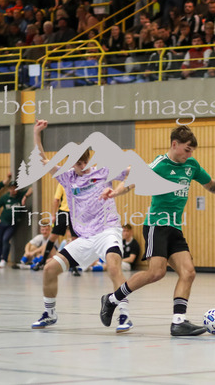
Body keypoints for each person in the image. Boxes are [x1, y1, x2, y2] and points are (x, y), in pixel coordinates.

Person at [101, 125, 215, 336]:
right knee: (156, 272)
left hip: (175, 227)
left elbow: (211, 184)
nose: (189, 155)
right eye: (187, 150)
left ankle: (178, 322)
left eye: (192, 151)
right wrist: (114, 193)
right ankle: (111, 299)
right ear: (174, 144)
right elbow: (132, 180)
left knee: (188, 272)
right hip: (157, 225)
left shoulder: (191, 165)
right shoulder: (160, 164)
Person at [31, 120, 133, 333]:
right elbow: (42, 160)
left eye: (85, 161)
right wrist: (37, 133)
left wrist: (118, 190)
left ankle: (124, 314)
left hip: (107, 230)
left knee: (113, 266)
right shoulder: (67, 178)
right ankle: (50, 313)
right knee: (49, 269)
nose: (82, 166)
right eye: (78, 163)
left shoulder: (103, 171)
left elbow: (132, 172)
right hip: (85, 237)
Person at [0, 181, 32, 268]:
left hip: (12, 224)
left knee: (5, 239)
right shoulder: (5, 197)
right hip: (2, 222)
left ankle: (4, 260)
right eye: (12, 188)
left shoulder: (20, 195)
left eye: (15, 188)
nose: (14, 190)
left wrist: (25, 197)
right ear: (9, 189)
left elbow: (31, 189)